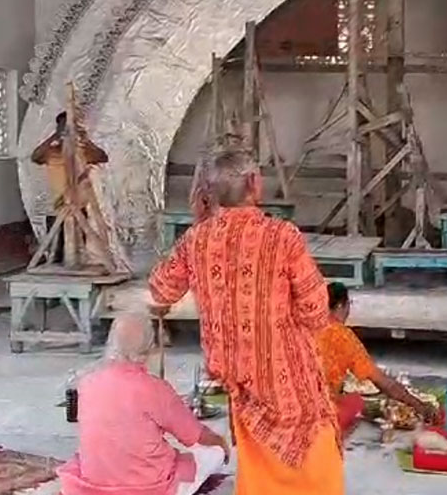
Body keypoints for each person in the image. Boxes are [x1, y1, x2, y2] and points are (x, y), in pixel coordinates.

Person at [148, 150, 343, 495]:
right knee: (314, 458)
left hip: (239, 379)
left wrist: (200, 227)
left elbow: (161, 290)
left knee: (260, 470)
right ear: (254, 184)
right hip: (289, 376)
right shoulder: (282, 235)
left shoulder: (198, 240)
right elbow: (316, 309)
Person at [58, 313, 228, 495]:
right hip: (149, 488)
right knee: (214, 452)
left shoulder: (87, 383)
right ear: (150, 349)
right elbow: (195, 435)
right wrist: (221, 443)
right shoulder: (155, 388)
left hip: (92, 486)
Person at [316, 282, 438, 438]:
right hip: (318, 416)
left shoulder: (303, 326)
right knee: (355, 402)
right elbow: (384, 383)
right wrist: (419, 406)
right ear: (341, 305)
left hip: (287, 406)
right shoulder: (343, 336)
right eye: (349, 305)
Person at [31, 111, 111, 267]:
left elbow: (102, 157)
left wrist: (86, 141)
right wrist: (55, 137)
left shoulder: (81, 151)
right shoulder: (52, 152)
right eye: (64, 127)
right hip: (59, 208)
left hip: (79, 207)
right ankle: (57, 279)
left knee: (80, 248)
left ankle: (78, 271)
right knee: (58, 251)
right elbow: (35, 157)